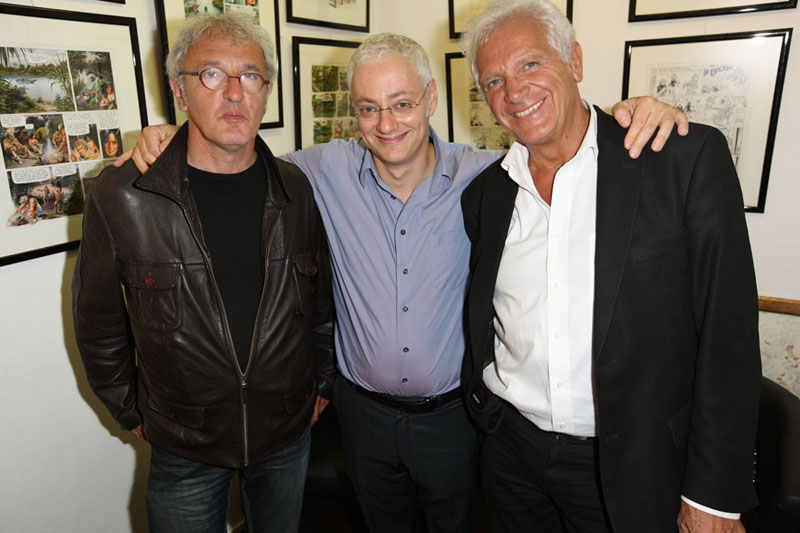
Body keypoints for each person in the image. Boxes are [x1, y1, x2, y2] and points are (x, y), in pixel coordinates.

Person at [124, 32, 687, 533]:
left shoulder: (489, 176)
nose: (387, 124)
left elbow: (567, 146)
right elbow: (233, 155)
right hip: (362, 417)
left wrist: (636, 113)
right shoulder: (317, 172)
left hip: (453, 418)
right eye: (369, 108)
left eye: (401, 103)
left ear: (431, 99)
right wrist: (169, 138)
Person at [459, 2, 761, 532]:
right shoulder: (486, 193)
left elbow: (728, 339)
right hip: (510, 453)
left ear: (574, 60)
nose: (514, 91)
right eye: (494, 81)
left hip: (633, 465)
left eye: (530, 64)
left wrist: (713, 497)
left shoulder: (678, 159)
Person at [71, 13, 334, 533]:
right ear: (179, 90)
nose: (234, 94)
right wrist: (131, 410)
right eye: (212, 74)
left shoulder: (296, 189)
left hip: (286, 429)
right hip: (184, 442)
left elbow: (321, 303)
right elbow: (98, 322)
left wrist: (322, 380)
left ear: (267, 90)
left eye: (251, 76)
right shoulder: (124, 196)